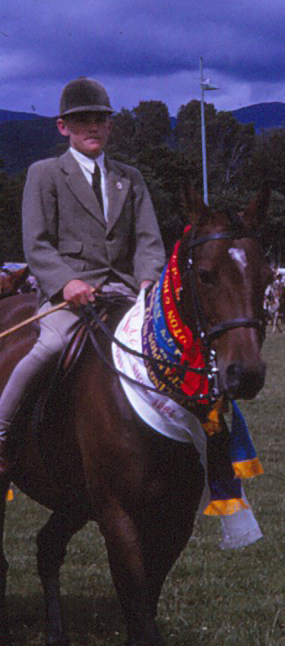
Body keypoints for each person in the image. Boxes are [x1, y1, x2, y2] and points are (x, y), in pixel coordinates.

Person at [0, 78, 166, 468]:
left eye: (99, 119)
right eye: (81, 120)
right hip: (68, 295)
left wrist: (146, 280)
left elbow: (149, 241)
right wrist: (66, 282)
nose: (91, 127)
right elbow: (37, 243)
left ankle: (209, 441)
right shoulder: (45, 174)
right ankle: (2, 429)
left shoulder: (131, 178)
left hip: (126, 291)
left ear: (110, 125)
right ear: (63, 127)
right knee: (51, 346)